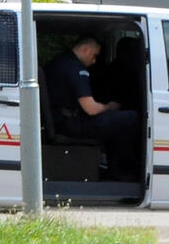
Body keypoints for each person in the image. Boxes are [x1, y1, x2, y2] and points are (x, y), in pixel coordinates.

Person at [44, 36, 140, 181]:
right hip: (71, 125)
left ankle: (112, 167)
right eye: (94, 56)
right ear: (85, 49)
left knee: (113, 121)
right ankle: (121, 171)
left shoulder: (60, 61)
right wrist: (109, 106)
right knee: (132, 118)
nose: (94, 61)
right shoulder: (75, 68)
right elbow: (90, 108)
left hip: (61, 121)